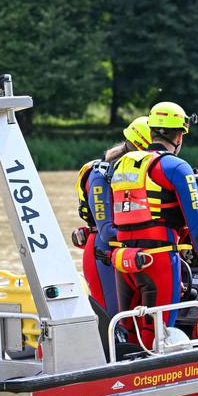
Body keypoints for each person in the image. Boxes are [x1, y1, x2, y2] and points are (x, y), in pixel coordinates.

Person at [111, 101, 198, 348]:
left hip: (124, 261)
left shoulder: (122, 165)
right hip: (159, 261)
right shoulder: (176, 166)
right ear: (179, 135)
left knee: (130, 332)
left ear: (151, 129)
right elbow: (197, 224)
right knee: (159, 334)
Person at [74, 116, 151, 314]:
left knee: (135, 317)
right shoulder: (100, 176)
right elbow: (107, 231)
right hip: (103, 254)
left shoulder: (136, 175)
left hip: (129, 253)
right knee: (114, 317)